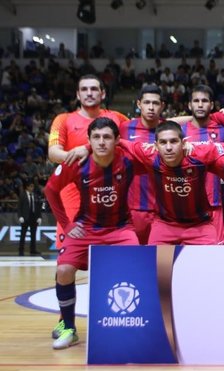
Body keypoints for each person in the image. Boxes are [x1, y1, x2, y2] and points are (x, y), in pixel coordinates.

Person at [44, 117, 139, 350]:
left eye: (107, 137)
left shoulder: (128, 160)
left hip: (120, 229)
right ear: (88, 140)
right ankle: (68, 327)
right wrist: (66, 225)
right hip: (85, 228)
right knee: (64, 270)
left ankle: (132, 324)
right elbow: (50, 190)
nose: (101, 142)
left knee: (138, 265)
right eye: (95, 137)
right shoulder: (76, 162)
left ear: (117, 140)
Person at [48, 74, 128, 250]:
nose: (89, 93)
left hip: (110, 194)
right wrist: (79, 156)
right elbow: (53, 153)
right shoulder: (63, 120)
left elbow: (143, 132)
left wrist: (88, 148)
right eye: (84, 89)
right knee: (67, 257)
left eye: (94, 89)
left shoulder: (117, 118)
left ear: (103, 94)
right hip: (72, 197)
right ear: (77, 94)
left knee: (113, 256)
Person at [118, 121, 224, 245]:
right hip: (164, 224)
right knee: (157, 264)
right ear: (155, 145)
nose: (169, 147)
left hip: (200, 225)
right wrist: (90, 147)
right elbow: (121, 142)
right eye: (163, 142)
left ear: (183, 143)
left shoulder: (199, 154)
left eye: (174, 141)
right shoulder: (149, 155)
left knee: (209, 263)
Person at [179, 85, 224, 242]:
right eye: (196, 101)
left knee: (216, 257)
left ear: (212, 105)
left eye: (204, 101)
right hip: (186, 206)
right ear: (189, 105)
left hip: (214, 203)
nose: (200, 105)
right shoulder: (179, 132)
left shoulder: (222, 131)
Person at [118, 84, 165, 244]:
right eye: (146, 103)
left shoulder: (169, 131)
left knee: (160, 262)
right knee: (134, 260)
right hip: (133, 208)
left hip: (163, 210)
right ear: (139, 104)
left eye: (155, 103)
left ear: (162, 106)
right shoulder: (125, 128)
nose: (151, 107)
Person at [18, 181, 42, 256]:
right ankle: (21, 250)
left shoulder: (35, 195)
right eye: (31, 186)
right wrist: (20, 216)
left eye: (33, 186)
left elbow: (38, 207)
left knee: (33, 234)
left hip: (34, 217)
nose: (32, 188)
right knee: (23, 235)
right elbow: (19, 207)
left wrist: (39, 217)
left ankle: (33, 249)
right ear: (27, 187)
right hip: (25, 218)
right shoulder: (22, 195)